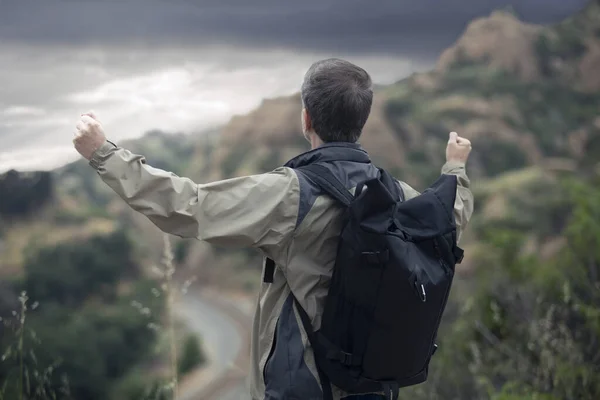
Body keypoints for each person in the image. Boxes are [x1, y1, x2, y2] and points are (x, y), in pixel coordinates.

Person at [73, 58, 474, 400]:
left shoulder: (291, 193)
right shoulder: (396, 194)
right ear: (362, 121)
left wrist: (103, 154)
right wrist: (454, 167)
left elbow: (188, 207)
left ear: (307, 119)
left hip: (302, 385)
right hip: (371, 384)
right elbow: (451, 216)